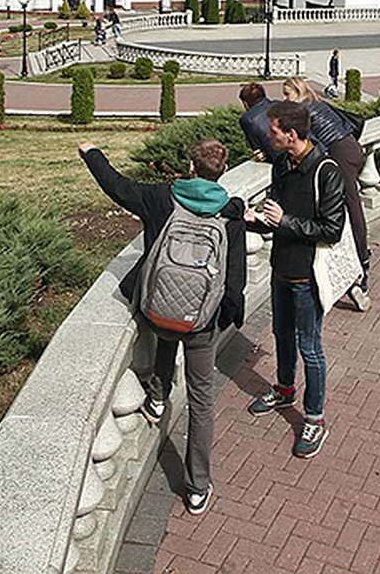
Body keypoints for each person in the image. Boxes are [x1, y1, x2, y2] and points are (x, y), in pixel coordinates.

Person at [79, 138, 245, 515]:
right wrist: (224, 316)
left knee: (166, 322)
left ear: (190, 166)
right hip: (201, 322)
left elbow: (116, 185)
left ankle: (156, 396)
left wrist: (93, 152)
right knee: (202, 401)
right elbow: (235, 279)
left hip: (157, 312)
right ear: (222, 171)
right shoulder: (230, 213)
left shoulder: (160, 198)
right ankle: (197, 486)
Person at [245, 100, 344, 459]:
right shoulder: (282, 164)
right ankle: (284, 388)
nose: (268, 137)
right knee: (281, 335)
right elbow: (274, 216)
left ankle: (315, 419)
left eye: (273, 132)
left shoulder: (326, 171)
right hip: (280, 268)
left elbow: (332, 229)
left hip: (307, 276)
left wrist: (285, 221)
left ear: (291, 133)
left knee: (310, 348)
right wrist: (251, 218)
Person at [281, 76, 370, 310]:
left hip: (341, 154)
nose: (284, 99)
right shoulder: (317, 102)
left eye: (287, 94)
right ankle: (360, 261)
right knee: (348, 205)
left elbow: (308, 146)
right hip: (352, 149)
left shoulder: (303, 111)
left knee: (350, 207)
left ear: (297, 92)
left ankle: (362, 260)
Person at [238, 82, 281, 162]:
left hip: (277, 160)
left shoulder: (247, 120)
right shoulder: (279, 104)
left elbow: (257, 149)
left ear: (245, 103)